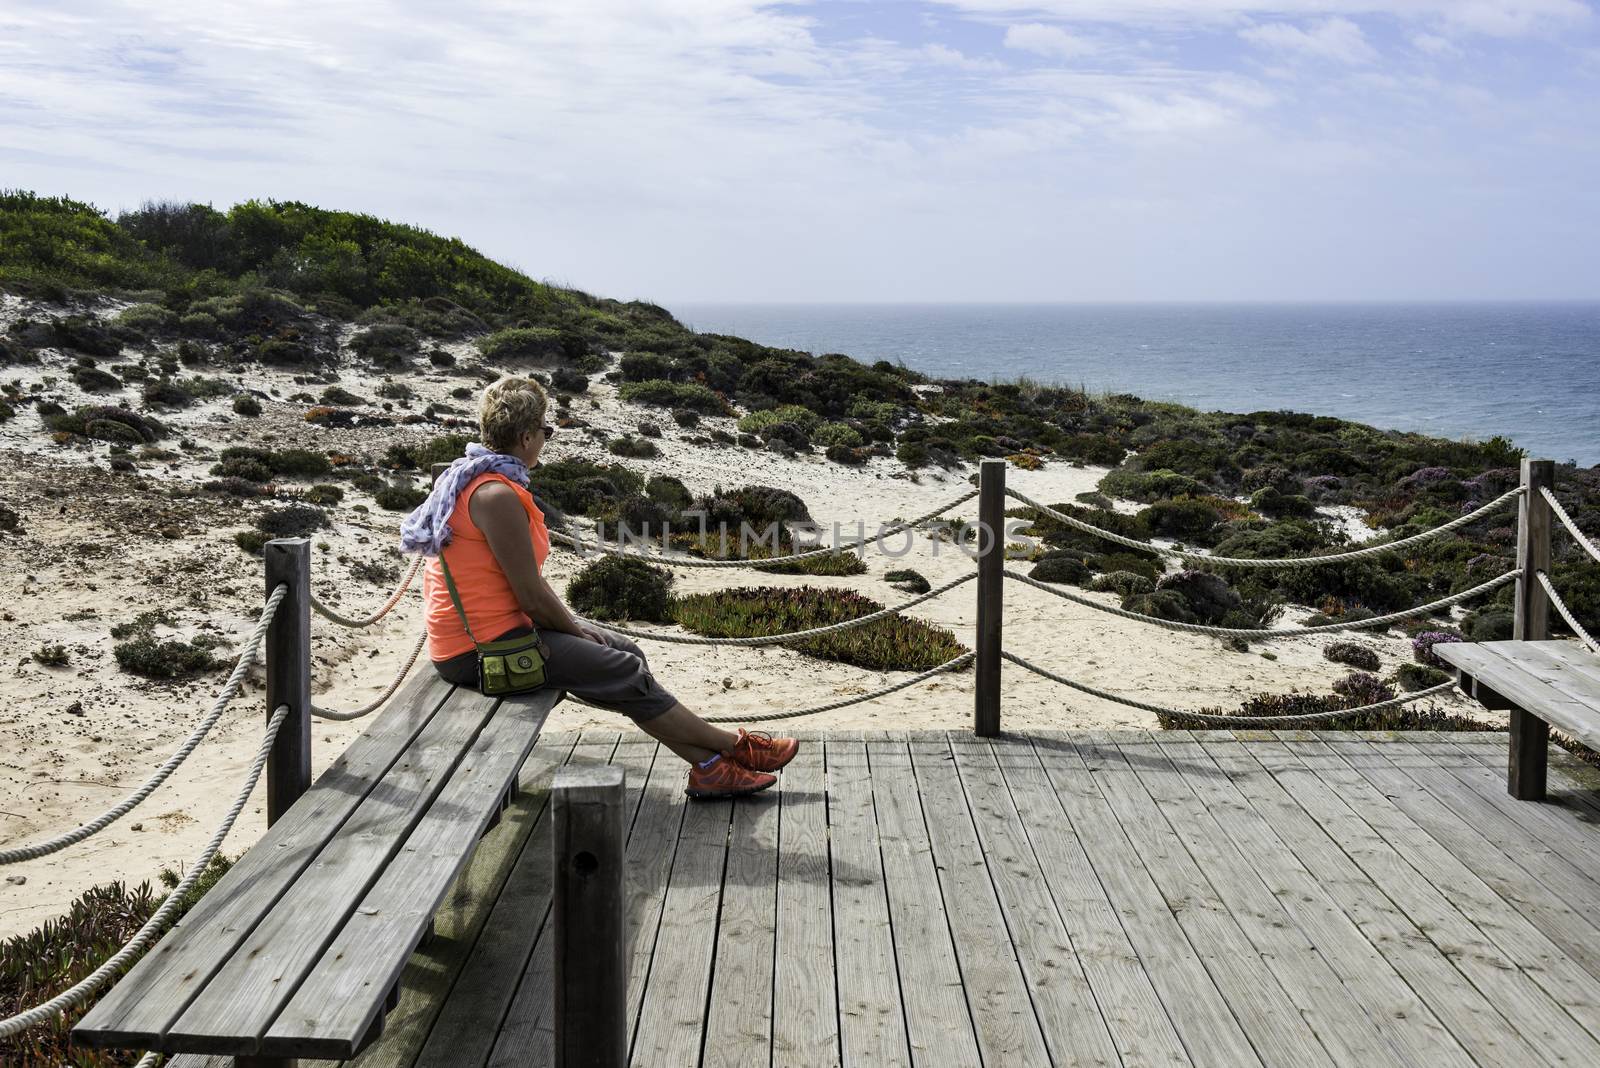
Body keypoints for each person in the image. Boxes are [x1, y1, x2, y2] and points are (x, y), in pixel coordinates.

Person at [400, 376, 797, 798]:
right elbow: (530, 596)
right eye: (545, 432)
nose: (545, 441)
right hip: (480, 651)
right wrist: (575, 631)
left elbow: (527, 584)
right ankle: (732, 747)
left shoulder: (479, 479)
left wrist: (574, 627)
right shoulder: (494, 495)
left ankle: (710, 768)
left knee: (628, 652)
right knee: (620, 668)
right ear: (525, 436)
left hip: (500, 631)